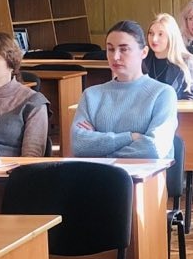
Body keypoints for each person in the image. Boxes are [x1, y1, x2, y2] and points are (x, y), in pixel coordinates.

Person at [68, 21, 177, 160]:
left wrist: (101, 152)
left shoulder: (163, 94)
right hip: (97, 172)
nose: (115, 57)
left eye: (124, 49)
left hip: (143, 173)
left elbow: (154, 148)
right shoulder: (91, 95)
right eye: (110, 49)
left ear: (144, 52)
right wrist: (130, 137)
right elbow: (79, 145)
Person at [143, 14, 193, 100]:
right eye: (151, 33)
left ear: (171, 36)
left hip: (176, 108)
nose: (154, 39)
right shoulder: (143, 60)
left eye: (160, 34)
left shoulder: (187, 62)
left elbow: (191, 100)